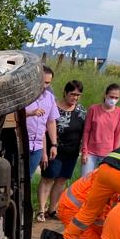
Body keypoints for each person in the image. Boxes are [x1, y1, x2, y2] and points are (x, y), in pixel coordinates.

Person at [38, 80, 86, 222]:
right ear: (65, 93)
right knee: (48, 179)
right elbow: (44, 129)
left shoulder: (81, 111)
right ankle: (41, 210)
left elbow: (85, 131)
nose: (75, 98)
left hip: (71, 152)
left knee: (61, 180)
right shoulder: (54, 107)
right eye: (72, 94)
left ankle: (52, 209)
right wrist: (45, 152)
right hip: (54, 151)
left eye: (78, 95)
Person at [25, 65, 58, 185]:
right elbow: (12, 117)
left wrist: (53, 144)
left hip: (37, 146)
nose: (44, 86)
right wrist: (30, 113)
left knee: (29, 178)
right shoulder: (24, 95)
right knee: (16, 177)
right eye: (42, 82)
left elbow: (51, 121)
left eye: (48, 83)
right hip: (22, 143)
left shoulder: (50, 97)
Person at [81, 84, 120, 175]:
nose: (113, 100)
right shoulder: (93, 109)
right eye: (111, 96)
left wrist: (114, 156)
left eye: (116, 98)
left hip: (108, 155)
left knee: (102, 184)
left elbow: (118, 134)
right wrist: (84, 151)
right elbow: (86, 131)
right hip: (90, 153)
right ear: (105, 95)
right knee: (85, 181)